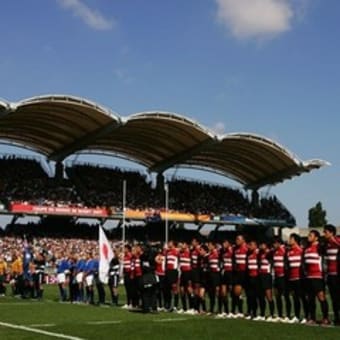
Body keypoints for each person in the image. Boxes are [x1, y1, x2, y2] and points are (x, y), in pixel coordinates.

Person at [303, 230, 330, 325]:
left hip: (318, 276)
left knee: (321, 297)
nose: (308, 237)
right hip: (308, 277)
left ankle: (326, 318)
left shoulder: (320, 247)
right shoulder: (306, 248)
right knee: (310, 298)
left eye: (310, 235)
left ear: (316, 237)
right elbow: (305, 263)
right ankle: (313, 318)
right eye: (308, 235)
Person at [286, 233, 308, 324]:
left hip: (300, 278)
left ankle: (307, 316)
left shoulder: (301, 250)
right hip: (292, 278)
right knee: (295, 298)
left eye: (291, 239)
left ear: (295, 240)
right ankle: (296, 316)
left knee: (302, 297)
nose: (289, 240)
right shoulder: (288, 252)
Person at [323, 224, 340, 325]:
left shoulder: (337, 240)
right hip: (330, 274)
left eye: (325, 232)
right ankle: (337, 318)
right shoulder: (327, 244)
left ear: (331, 233)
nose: (324, 234)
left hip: (337, 274)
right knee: (333, 297)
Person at [272, 237, 291, 322]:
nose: (274, 245)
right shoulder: (274, 252)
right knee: (277, 295)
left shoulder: (284, 250)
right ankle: (279, 315)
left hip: (283, 276)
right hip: (277, 276)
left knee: (286, 296)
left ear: (279, 243)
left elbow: (287, 262)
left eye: (275, 243)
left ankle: (288, 315)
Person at [258, 242, 275, 321]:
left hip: (267, 275)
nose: (261, 246)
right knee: (261, 296)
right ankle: (262, 314)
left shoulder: (270, 253)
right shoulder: (260, 254)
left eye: (263, 244)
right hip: (261, 275)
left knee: (269, 296)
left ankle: (272, 314)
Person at [232, 235, 248, 317]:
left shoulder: (246, 248)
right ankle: (240, 311)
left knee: (249, 293)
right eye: (236, 239)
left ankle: (250, 312)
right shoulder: (235, 249)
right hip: (238, 273)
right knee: (236, 292)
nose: (236, 240)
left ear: (243, 240)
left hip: (246, 273)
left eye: (238, 239)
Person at [245, 240, 260, 320]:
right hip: (249, 277)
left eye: (251, 244)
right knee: (249, 295)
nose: (249, 246)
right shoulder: (248, 254)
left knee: (255, 296)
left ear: (255, 245)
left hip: (256, 277)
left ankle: (255, 312)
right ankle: (250, 311)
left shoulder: (258, 253)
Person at [178, 241, 194, 313]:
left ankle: (191, 307)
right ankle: (184, 308)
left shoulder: (189, 252)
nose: (181, 246)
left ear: (187, 246)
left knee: (189, 289)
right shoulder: (180, 253)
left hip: (188, 272)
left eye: (183, 244)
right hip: (182, 273)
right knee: (181, 290)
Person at [218, 240, 233, 317]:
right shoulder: (221, 252)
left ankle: (234, 311)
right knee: (223, 292)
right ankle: (226, 311)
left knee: (232, 292)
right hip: (224, 273)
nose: (224, 244)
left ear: (229, 244)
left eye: (225, 243)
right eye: (223, 243)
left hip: (231, 273)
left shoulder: (232, 250)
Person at [164, 240, 179, 311]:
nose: (168, 244)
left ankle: (175, 306)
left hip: (173, 271)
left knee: (174, 288)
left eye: (170, 243)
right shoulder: (168, 252)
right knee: (167, 289)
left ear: (173, 244)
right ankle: (168, 306)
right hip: (168, 271)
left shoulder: (176, 251)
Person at [207, 241, 220, 315]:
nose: (208, 247)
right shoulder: (209, 255)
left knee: (217, 292)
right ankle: (212, 309)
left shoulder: (217, 253)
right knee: (211, 292)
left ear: (213, 246)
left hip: (216, 274)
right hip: (211, 274)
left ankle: (219, 309)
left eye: (210, 245)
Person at [122, 244, 133, 309]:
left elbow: (132, 265)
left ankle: (131, 303)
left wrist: (131, 273)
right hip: (126, 273)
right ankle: (128, 302)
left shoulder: (130, 255)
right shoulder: (125, 256)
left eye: (125, 248)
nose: (124, 250)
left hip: (129, 273)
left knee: (130, 289)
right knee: (127, 289)